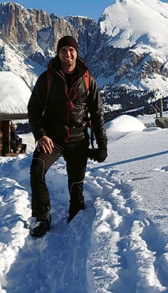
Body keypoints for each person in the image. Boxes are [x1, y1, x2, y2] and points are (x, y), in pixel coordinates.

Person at [27, 35, 107, 237]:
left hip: (78, 139)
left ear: (76, 53)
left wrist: (102, 145)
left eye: (71, 50)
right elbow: (34, 109)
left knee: (76, 186)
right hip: (52, 139)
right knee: (37, 168)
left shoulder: (88, 80)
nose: (67, 54)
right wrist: (41, 135)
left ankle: (76, 219)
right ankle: (43, 216)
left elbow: (97, 114)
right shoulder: (47, 78)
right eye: (63, 50)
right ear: (58, 53)